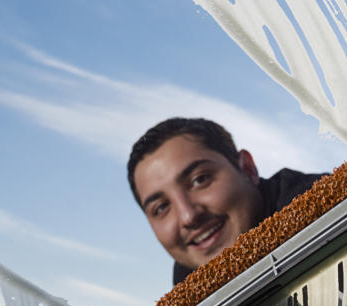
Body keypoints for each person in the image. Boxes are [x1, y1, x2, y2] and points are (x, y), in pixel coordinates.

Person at [127, 117, 325, 285]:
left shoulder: (340, 205)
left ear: (248, 169)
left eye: (200, 180)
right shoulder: (188, 304)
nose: (188, 216)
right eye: (161, 207)